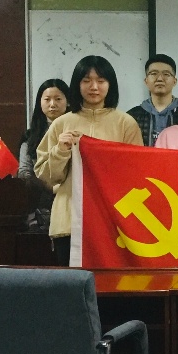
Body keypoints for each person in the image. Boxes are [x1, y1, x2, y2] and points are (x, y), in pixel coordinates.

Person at [35, 55, 143, 264]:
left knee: (110, 282)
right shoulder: (61, 124)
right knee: (71, 282)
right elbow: (46, 176)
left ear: (110, 85)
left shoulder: (126, 124)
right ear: (77, 85)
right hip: (69, 221)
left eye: (101, 81)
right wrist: (60, 150)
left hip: (112, 221)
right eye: (86, 81)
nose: (94, 87)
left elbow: (136, 173)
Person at [18, 77, 70, 234]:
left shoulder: (76, 133)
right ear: (40, 103)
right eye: (47, 99)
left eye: (58, 99)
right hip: (39, 205)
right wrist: (48, 186)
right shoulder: (30, 137)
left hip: (71, 201)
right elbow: (24, 172)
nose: (52, 104)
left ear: (68, 102)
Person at [126, 54, 178, 147]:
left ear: (174, 81)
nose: (160, 79)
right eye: (153, 74)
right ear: (146, 81)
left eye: (166, 74)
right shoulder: (132, 116)